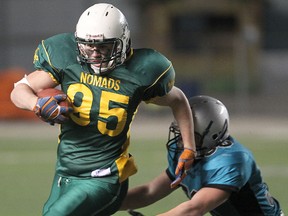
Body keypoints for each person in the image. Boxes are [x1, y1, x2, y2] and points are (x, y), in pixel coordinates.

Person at [10, 3, 196, 216]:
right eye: (88, 45)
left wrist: (189, 147)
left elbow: (178, 99)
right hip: (66, 172)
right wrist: (36, 104)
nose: (95, 53)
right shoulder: (68, 60)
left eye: (103, 46)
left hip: (105, 177)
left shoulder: (141, 71)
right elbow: (18, 91)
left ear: (123, 42)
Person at [121, 95, 285, 216]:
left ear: (212, 134)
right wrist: (106, 202)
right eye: (180, 133)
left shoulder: (231, 159)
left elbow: (195, 208)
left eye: (191, 134)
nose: (182, 140)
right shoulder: (188, 153)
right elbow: (150, 192)